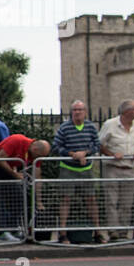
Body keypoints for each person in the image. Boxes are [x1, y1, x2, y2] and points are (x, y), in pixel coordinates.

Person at [52, 100, 104, 243]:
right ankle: (62, 233)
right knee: (65, 199)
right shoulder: (64, 128)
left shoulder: (90, 127)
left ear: (85, 111)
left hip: (86, 168)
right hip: (68, 168)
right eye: (75, 110)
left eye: (80, 110)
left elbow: (97, 144)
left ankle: (98, 232)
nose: (77, 112)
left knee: (91, 199)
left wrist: (85, 153)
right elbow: (56, 146)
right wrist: (71, 154)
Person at [98, 100, 134, 240]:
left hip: (129, 168)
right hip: (113, 167)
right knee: (111, 201)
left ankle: (124, 230)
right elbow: (99, 144)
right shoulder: (110, 125)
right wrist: (111, 155)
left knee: (127, 202)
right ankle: (113, 231)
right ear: (126, 111)